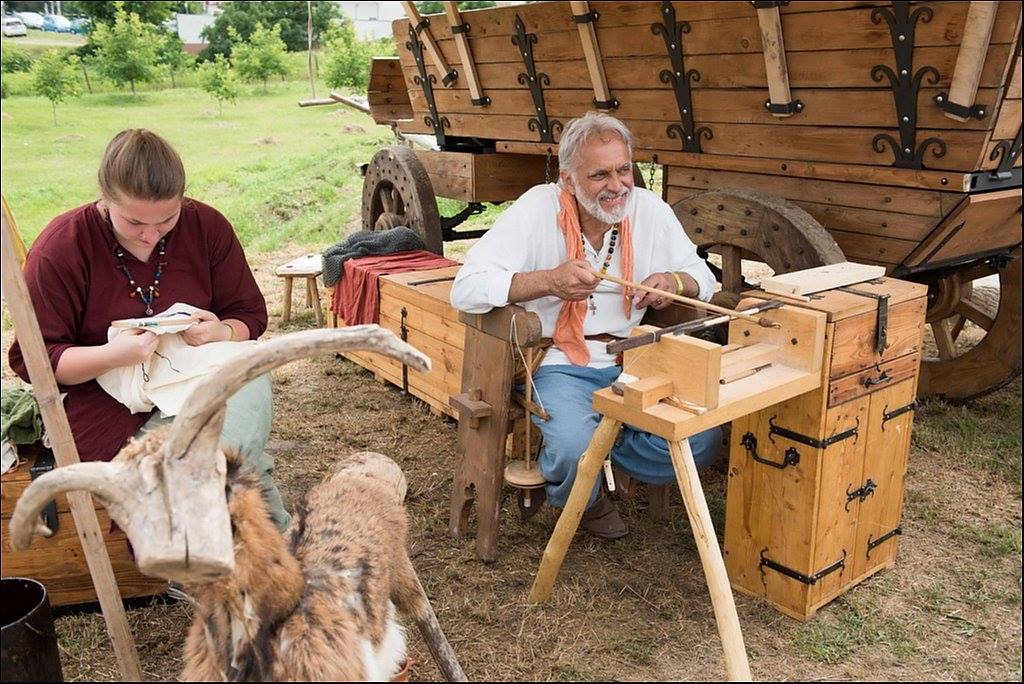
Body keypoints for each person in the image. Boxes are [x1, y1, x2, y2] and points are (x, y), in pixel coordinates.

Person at [450, 112, 720, 539]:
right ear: (569, 181)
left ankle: (588, 461)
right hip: (557, 359)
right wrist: (548, 281)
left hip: (633, 355)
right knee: (575, 444)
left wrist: (673, 282)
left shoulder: (648, 210)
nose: (617, 186)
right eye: (599, 175)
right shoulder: (537, 209)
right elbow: (465, 288)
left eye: (623, 169)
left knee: (700, 436)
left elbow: (703, 277)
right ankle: (583, 491)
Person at [8, 128, 290, 529]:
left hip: (196, 377)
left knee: (248, 376)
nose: (151, 234)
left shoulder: (206, 226)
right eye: (135, 221)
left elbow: (249, 315)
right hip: (105, 403)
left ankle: (193, 517)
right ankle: (268, 560)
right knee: (240, 467)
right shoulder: (63, 245)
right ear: (104, 197)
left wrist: (222, 332)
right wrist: (114, 355)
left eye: (167, 219)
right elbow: (36, 361)